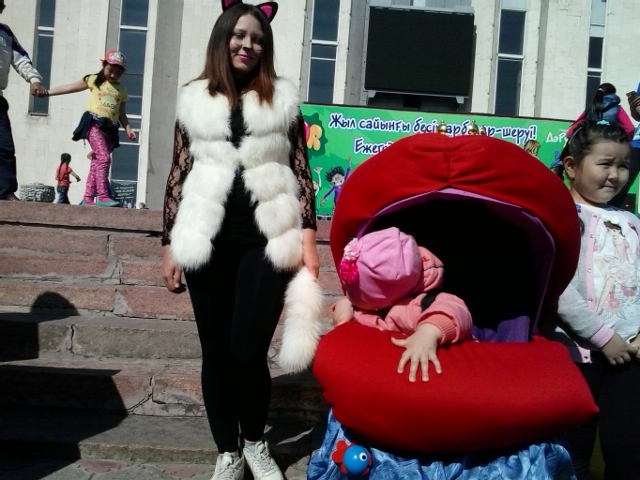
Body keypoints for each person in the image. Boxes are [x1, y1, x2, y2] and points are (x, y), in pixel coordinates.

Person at [161, 1, 323, 480]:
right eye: (239, 35)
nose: (247, 45)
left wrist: (309, 239)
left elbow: (302, 172)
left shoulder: (282, 101)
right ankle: (227, 452)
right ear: (222, 39)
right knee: (216, 353)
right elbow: (178, 172)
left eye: (256, 38)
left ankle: (255, 443)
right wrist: (169, 243)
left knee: (247, 352)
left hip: (266, 242)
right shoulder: (194, 100)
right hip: (205, 240)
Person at [551, 119, 640, 480]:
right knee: (572, 454)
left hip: (630, 357)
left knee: (629, 450)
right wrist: (604, 338)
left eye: (623, 165)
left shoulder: (632, 221)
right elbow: (556, 286)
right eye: (605, 164)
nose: (615, 175)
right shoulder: (559, 216)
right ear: (572, 166)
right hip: (575, 358)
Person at [331, 227, 472, 383]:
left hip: (445, 370)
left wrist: (428, 332)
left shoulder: (420, 304)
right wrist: (344, 307)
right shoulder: (368, 305)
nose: (347, 294)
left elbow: (457, 310)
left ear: (380, 300)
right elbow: (354, 305)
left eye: (352, 293)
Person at [42, 50, 136, 207]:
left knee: (96, 163)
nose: (113, 75)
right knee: (104, 159)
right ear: (103, 65)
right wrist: (47, 93)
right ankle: (103, 196)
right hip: (95, 124)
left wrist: (128, 128)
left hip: (110, 130)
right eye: (110, 71)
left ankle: (87, 198)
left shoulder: (121, 90)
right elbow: (69, 87)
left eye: (118, 73)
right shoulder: (93, 80)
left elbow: (121, 114)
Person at [0, 0, 47, 201]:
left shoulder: (5, 33)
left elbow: (21, 58)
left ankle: (5, 192)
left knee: (4, 147)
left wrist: (34, 79)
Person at [567, 83, 635, 139]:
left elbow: (569, 132)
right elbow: (630, 129)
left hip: (590, 144)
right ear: (613, 94)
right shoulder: (618, 109)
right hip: (610, 143)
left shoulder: (590, 108)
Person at [610, 84, 640, 208]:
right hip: (637, 144)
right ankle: (608, 213)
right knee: (622, 183)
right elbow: (637, 117)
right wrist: (633, 106)